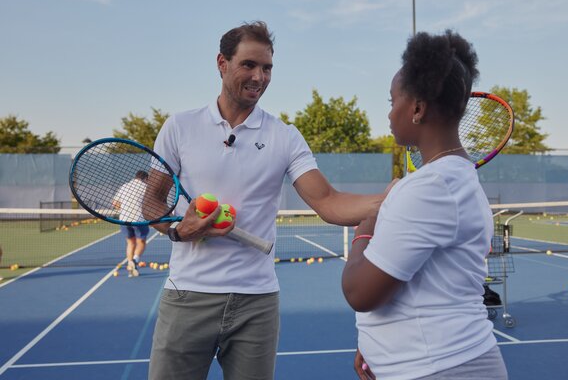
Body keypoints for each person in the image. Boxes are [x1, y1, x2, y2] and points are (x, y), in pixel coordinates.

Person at [144, 21, 385, 380]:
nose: (259, 76)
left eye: (267, 68)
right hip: (188, 297)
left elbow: (329, 201)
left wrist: (390, 200)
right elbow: (152, 203)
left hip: (256, 303)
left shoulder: (284, 136)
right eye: (249, 65)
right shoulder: (179, 127)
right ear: (222, 63)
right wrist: (181, 229)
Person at [341, 30, 508, 380]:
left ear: (417, 108)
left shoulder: (432, 188)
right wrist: (373, 342)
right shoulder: (449, 180)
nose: (389, 115)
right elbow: (423, 284)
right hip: (434, 363)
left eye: (392, 102)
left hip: (443, 367)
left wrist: (364, 230)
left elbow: (360, 293)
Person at [112, 170, 150, 277]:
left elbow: (115, 203)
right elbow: (150, 204)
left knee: (130, 243)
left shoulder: (124, 186)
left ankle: (130, 266)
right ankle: (135, 260)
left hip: (124, 219)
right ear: (145, 179)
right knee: (141, 242)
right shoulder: (146, 187)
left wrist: (125, 210)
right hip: (139, 219)